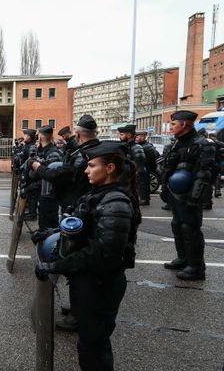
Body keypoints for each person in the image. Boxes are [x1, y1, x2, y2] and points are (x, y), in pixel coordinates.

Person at [35, 141, 141, 371]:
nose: (86, 170)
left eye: (92, 165)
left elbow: (104, 254)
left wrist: (58, 265)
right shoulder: (100, 194)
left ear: (110, 168)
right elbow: (83, 226)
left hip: (100, 284)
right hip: (88, 281)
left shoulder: (116, 202)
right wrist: (53, 233)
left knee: (94, 348)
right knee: (89, 343)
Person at [30, 114, 101, 332]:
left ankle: (81, 316)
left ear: (78, 134)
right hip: (78, 209)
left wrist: (38, 168)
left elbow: (61, 174)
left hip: (84, 212)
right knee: (74, 261)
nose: (88, 170)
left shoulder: (86, 155)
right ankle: (79, 307)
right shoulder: (87, 151)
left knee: (78, 261)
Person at [161, 111, 216, 280]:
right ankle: (184, 259)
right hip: (175, 194)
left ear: (184, 124)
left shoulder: (202, 144)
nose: (171, 127)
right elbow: (168, 168)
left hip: (190, 195)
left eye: (173, 124)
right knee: (177, 225)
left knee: (190, 228)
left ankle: (196, 267)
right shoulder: (175, 143)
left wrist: (195, 197)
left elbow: (205, 174)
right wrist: (165, 187)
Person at [29, 125, 62, 230]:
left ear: (41, 137)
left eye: (38, 135)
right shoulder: (41, 150)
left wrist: (34, 173)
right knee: (43, 223)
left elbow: (50, 175)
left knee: (49, 226)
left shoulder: (53, 153)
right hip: (42, 193)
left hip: (49, 195)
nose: (36, 137)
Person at [118, 124, 147, 203]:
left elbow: (139, 168)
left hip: (133, 183)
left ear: (129, 135)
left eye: (121, 134)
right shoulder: (125, 147)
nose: (119, 137)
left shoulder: (137, 148)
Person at [135, 131, 160, 205]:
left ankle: (145, 199)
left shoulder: (148, 146)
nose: (137, 138)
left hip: (145, 168)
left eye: (138, 136)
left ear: (143, 136)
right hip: (141, 168)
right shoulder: (139, 145)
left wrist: (148, 168)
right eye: (136, 136)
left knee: (144, 184)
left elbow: (152, 159)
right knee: (140, 184)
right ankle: (143, 198)